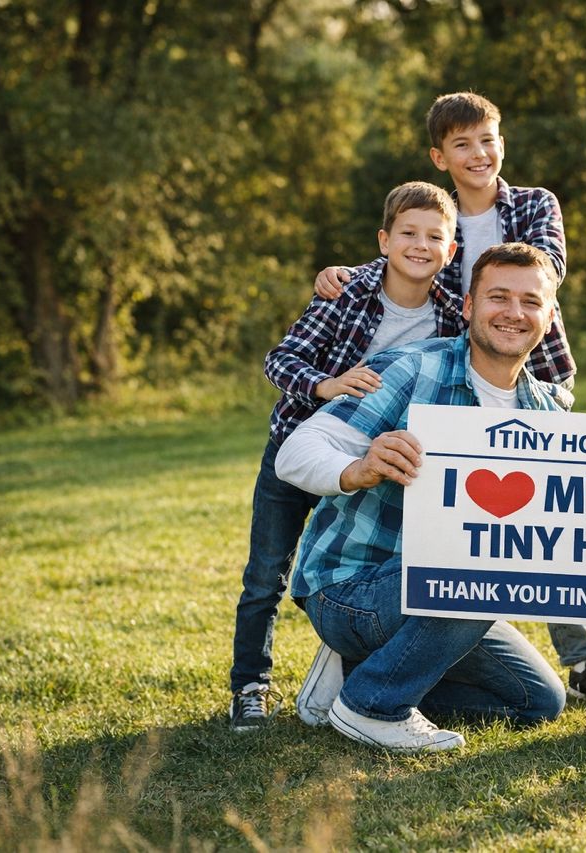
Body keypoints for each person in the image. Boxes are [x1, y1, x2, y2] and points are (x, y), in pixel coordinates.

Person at [311, 91, 586, 703]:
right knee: (469, 557)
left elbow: (542, 264)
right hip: (457, 374)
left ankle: (580, 655)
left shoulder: (529, 205)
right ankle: (374, 693)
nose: (479, 154)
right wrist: (351, 275)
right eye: (463, 144)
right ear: (440, 157)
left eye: (488, 140)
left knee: (540, 509)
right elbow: (407, 256)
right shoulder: (432, 243)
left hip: (536, 375)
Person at [273, 243, 568, 752]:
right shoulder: (411, 369)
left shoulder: (545, 414)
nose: (514, 313)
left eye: (531, 302)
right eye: (499, 297)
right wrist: (357, 468)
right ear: (470, 306)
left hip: (450, 602)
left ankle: (357, 675)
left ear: (548, 316)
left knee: (538, 700)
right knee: (474, 570)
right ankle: (373, 706)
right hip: (354, 588)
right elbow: (296, 451)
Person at [228, 182, 464, 731]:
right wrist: (326, 385)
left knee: (371, 560)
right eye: (408, 233)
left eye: (435, 237)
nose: (421, 245)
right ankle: (250, 686)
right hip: (301, 442)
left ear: (450, 251)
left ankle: (347, 649)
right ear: (385, 240)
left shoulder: (452, 312)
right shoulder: (348, 293)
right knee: (266, 573)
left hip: (377, 460)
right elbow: (280, 360)